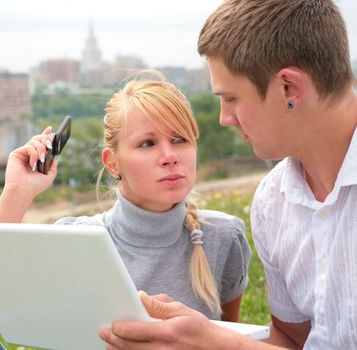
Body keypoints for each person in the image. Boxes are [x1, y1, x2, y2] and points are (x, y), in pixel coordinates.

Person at [99, 0, 357, 349]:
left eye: (231, 98)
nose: (224, 118)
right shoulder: (273, 201)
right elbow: (294, 342)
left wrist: (214, 343)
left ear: (289, 88)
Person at [0, 73, 252, 349]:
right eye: (147, 143)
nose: (169, 156)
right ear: (112, 162)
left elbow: (227, 339)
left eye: (180, 140)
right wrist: (16, 193)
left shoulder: (223, 237)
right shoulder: (75, 239)